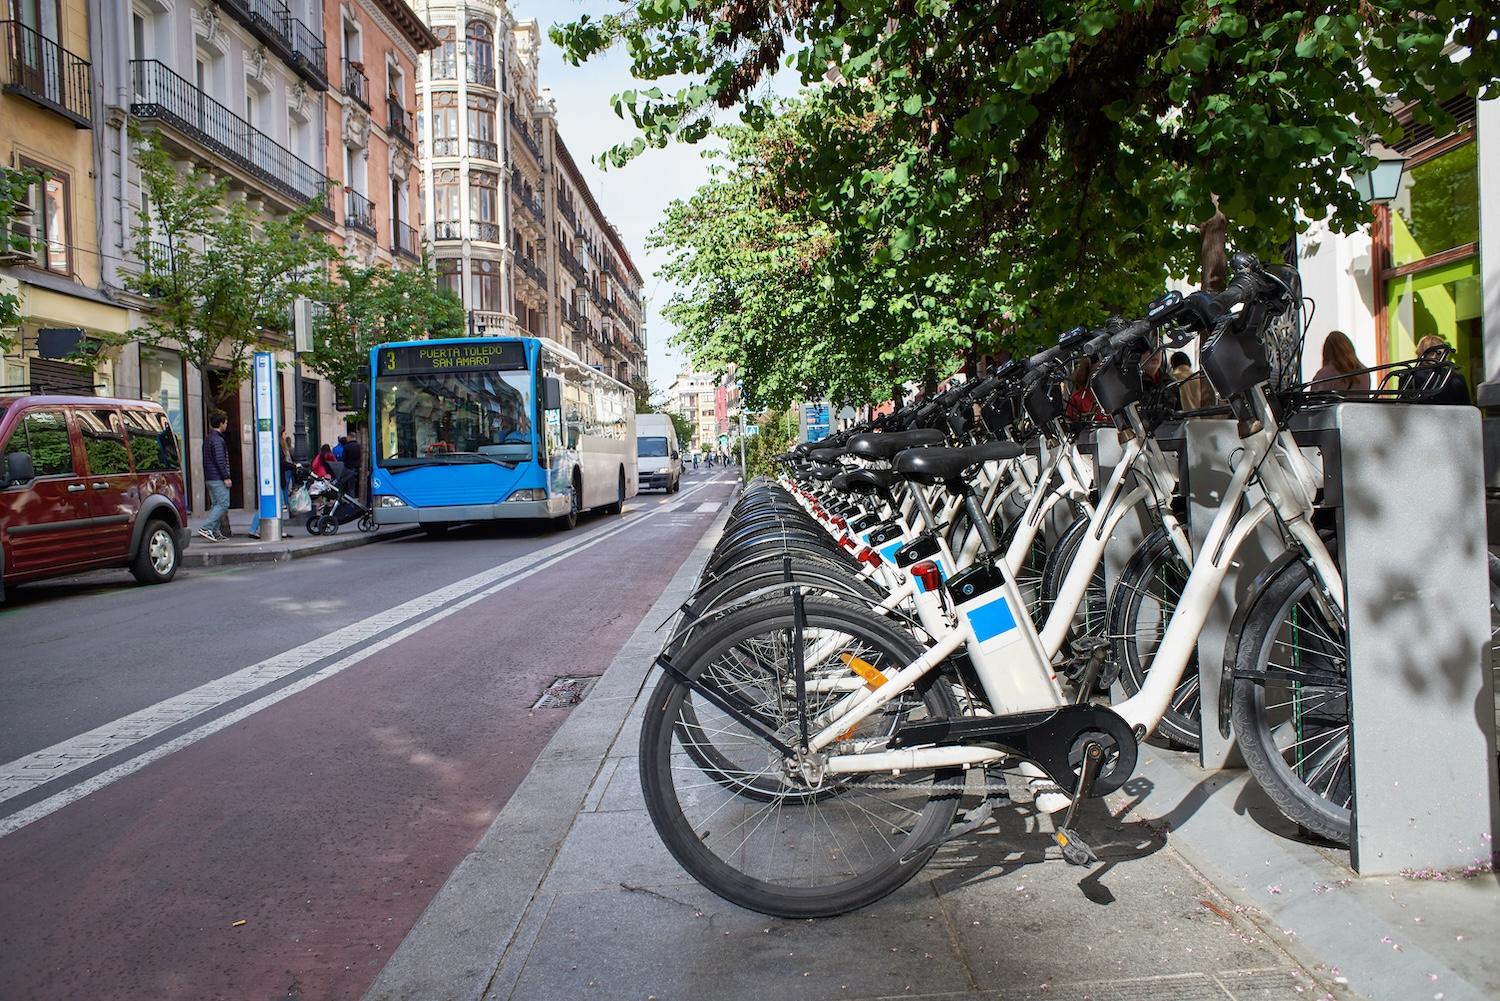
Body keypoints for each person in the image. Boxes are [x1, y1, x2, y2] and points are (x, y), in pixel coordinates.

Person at [1403, 334, 1472, 405]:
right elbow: (1467, 408)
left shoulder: (1406, 376)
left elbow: (1400, 407)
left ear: (1419, 352)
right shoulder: (1456, 378)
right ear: (1444, 353)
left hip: (1417, 415)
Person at [197, 412, 232, 543]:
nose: (227, 425)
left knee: (216, 504)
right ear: (221, 423)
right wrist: (226, 477)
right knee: (223, 503)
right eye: (226, 422)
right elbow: (220, 460)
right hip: (217, 478)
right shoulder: (218, 440)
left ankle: (215, 532)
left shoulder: (208, 439)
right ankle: (207, 528)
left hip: (209, 477)